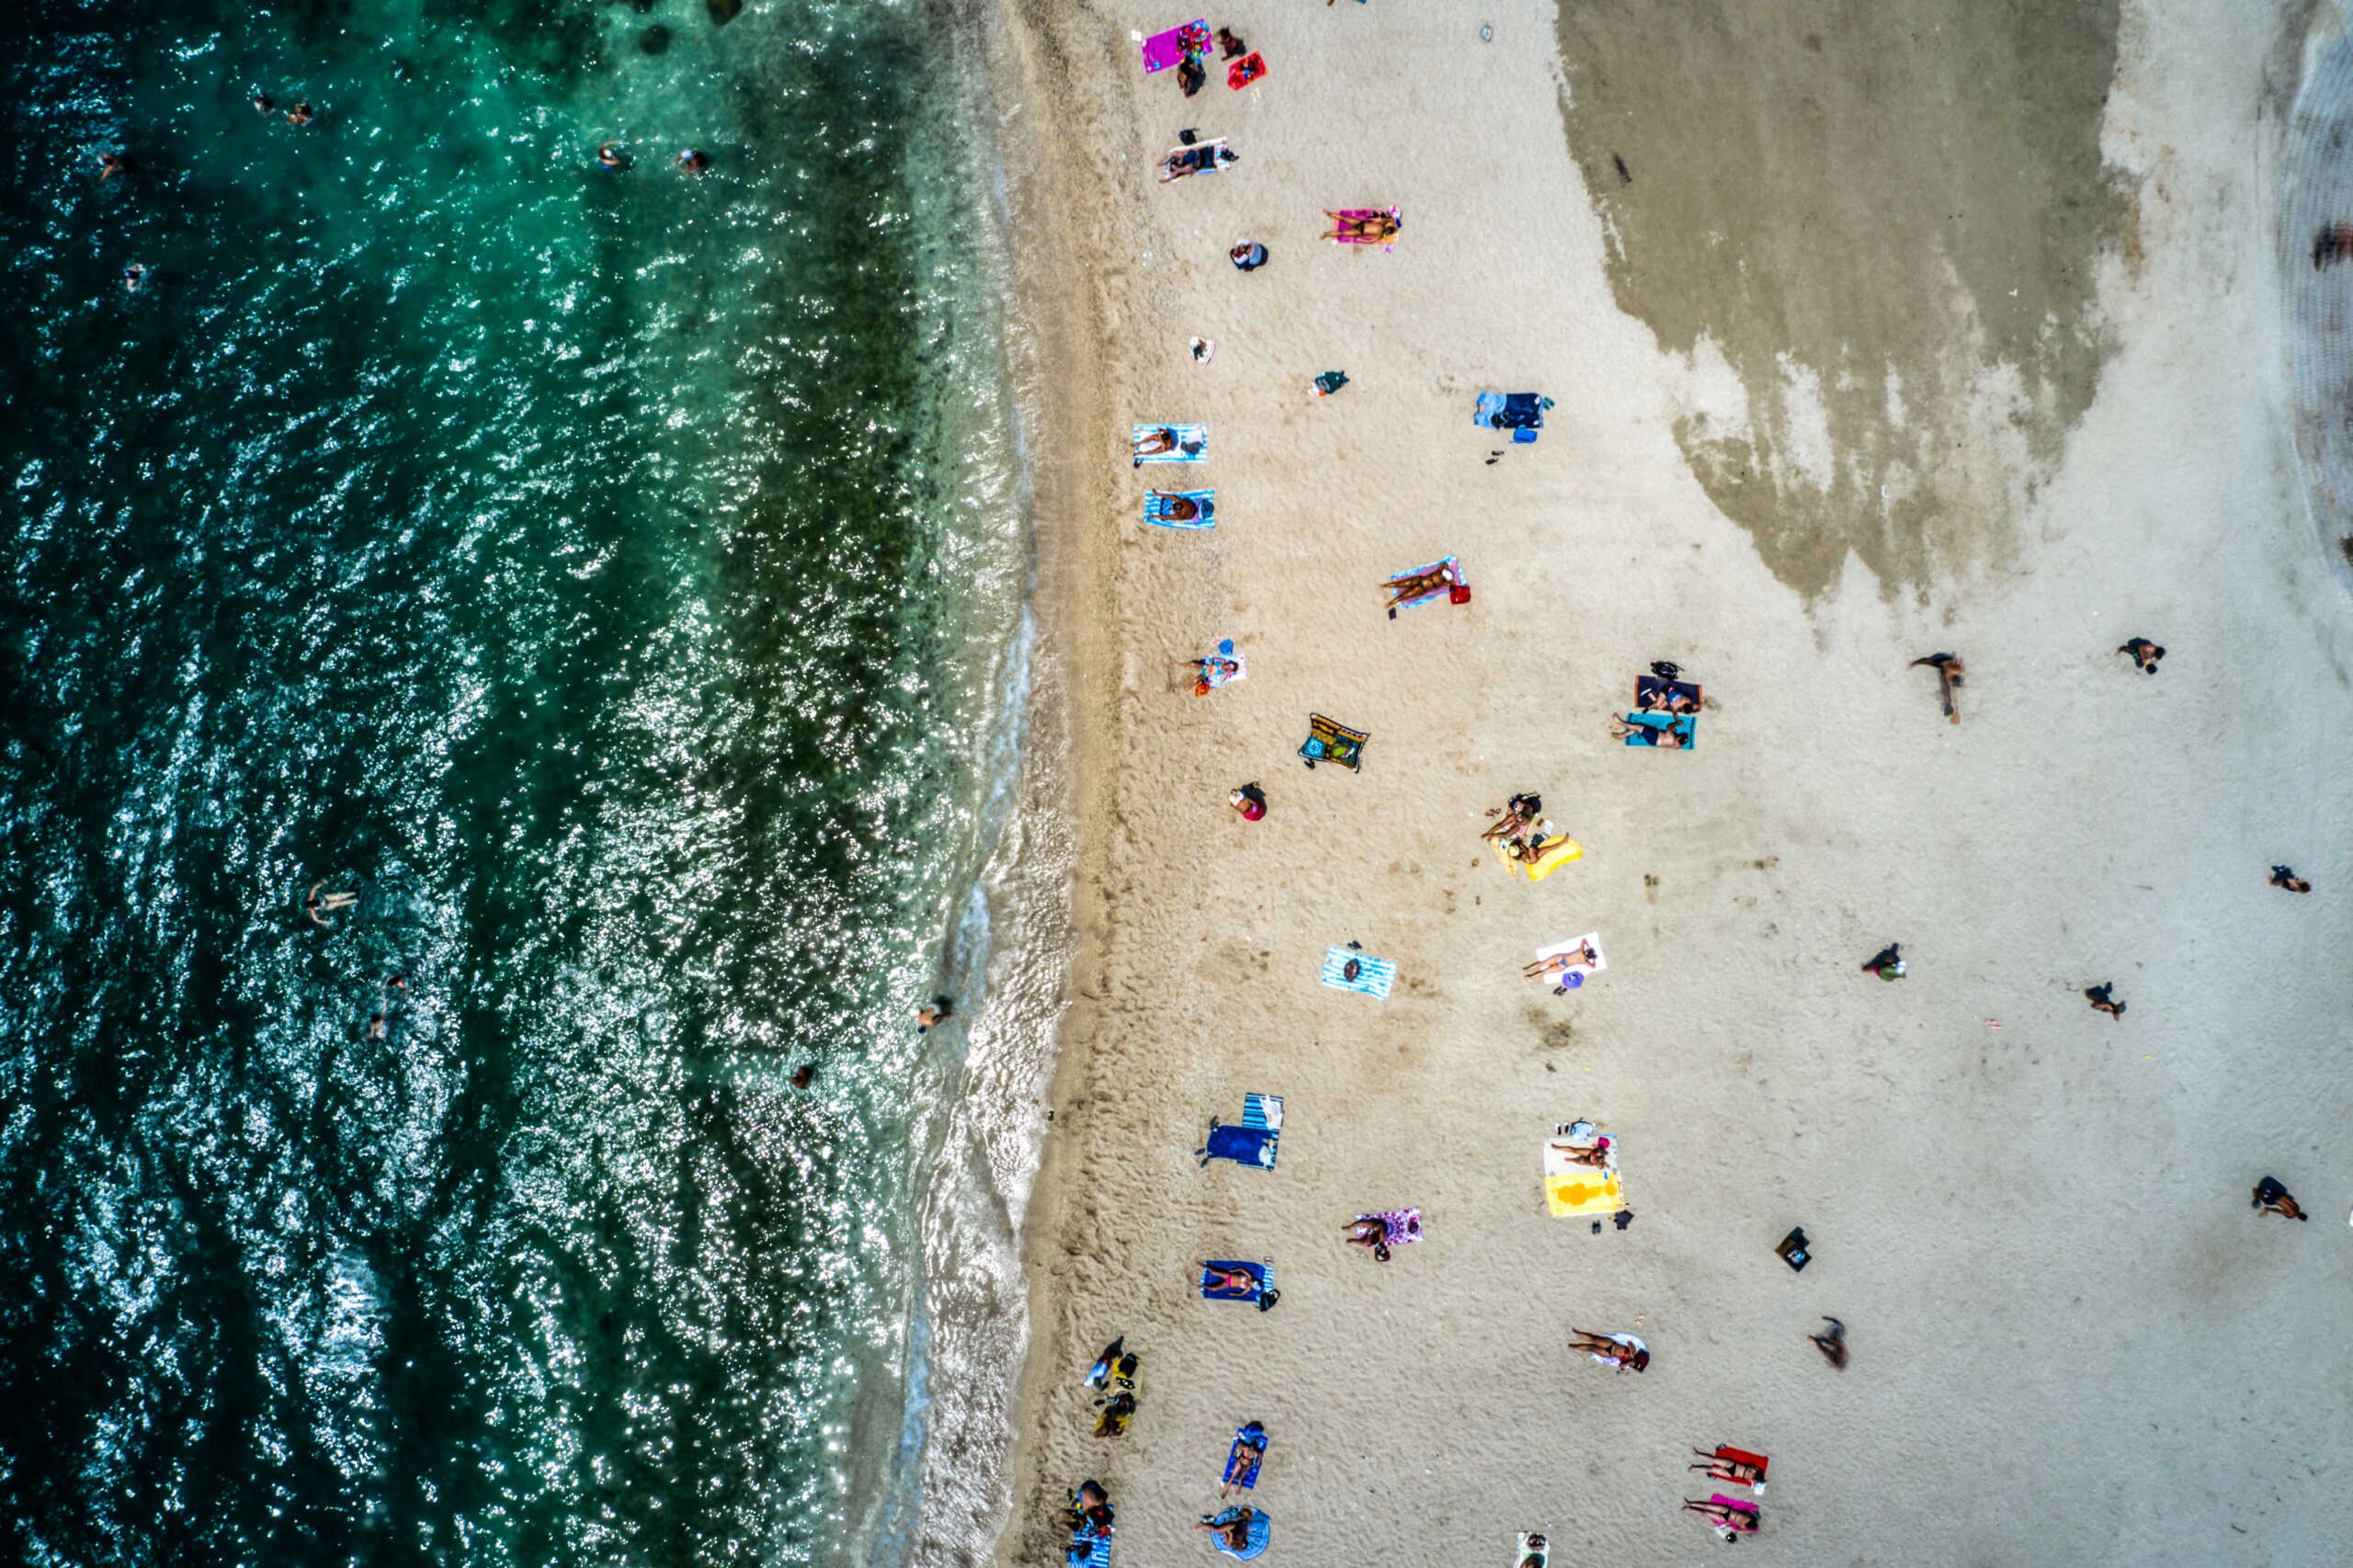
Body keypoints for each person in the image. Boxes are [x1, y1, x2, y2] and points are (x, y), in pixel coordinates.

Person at [1381, 559, 1459, 611]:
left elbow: (1444, 565)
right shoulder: (1441, 579)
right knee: (1400, 589)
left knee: (1402, 595)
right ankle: (1386, 594)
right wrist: (1449, 573)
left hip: (1420, 584)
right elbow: (1444, 564)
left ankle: (1388, 598)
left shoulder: (1440, 575)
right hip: (1419, 583)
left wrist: (1447, 569)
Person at [1910, 652, 1964, 723]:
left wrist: (1956, 709)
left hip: (1946, 660)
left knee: (1948, 690)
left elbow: (1960, 661)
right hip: (1940, 660)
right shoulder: (1949, 673)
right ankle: (1947, 706)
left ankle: (1948, 707)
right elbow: (1951, 690)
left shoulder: (1960, 670)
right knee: (1946, 688)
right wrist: (1915, 663)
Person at [1568, 1329, 1648, 1372]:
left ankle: (1572, 1345)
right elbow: (1629, 1342)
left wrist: (1628, 1362)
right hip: (1611, 1345)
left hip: (1608, 1353)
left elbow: (1620, 1366)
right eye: (1636, 1364)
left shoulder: (1628, 1363)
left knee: (1590, 1347)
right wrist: (1631, 1354)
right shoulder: (1633, 1351)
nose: (1634, 1365)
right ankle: (1576, 1332)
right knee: (1593, 1339)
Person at [1525, 941, 1598, 981]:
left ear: (1587, 952)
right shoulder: (1584, 961)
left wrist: (1588, 945)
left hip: (1561, 958)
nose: (1587, 949)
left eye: (1588, 949)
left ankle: (1527, 969)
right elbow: (1593, 966)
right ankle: (1530, 977)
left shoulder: (1580, 951)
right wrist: (1593, 959)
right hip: (1563, 966)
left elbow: (1584, 940)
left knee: (1542, 963)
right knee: (1545, 972)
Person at [1689, 1449, 1767, 1487]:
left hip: (1734, 1465)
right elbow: (1749, 1483)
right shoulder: (1751, 1479)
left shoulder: (1755, 1470)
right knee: (1711, 1469)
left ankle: (1697, 1454)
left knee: (1714, 1460)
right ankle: (1694, 1468)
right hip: (1732, 1474)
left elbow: (1753, 1465)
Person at [1682, 1498, 1759, 1533]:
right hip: (1725, 1518)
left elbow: (1744, 1509)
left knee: (1706, 1506)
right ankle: (1689, 1508)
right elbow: (1734, 1528)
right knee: (1705, 1513)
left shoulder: (1748, 1516)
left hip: (1728, 1511)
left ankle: (1690, 1503)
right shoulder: (1743, 1526)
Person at [1323, 210, 1399, 244]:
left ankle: (1329, 214)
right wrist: (1360, 240)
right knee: (1341, 232)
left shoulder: (1381, 224)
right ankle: (1326, 234)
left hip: (1361, 224)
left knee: (1343, 220)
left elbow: (1389, 219)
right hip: (1360, 230)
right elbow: (1370, 241)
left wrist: (1394, 225)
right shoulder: (1380, 234)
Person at [1609, 715, 1687, 747]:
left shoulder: (1672, 737)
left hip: (1654, 736)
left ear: (1679, 737)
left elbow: (1668, 726)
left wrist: (1677, 723)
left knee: (1638, 727)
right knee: (1638, 729)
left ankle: (1620, 722)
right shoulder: (1678, 745)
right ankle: (1622, 736)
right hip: (1654, 740)